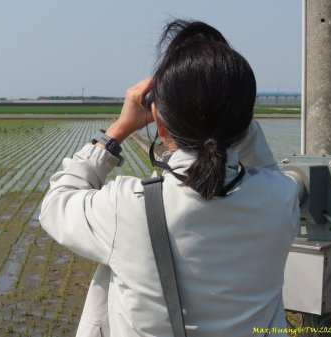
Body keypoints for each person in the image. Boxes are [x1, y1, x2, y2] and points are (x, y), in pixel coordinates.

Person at [39, 20, 299, 337]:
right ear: (245, 124)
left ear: (161, 126)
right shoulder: (281, 199)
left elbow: (57, 203)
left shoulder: (128, 208)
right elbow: (266, 171)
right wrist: (228, 109)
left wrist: (118, 130)